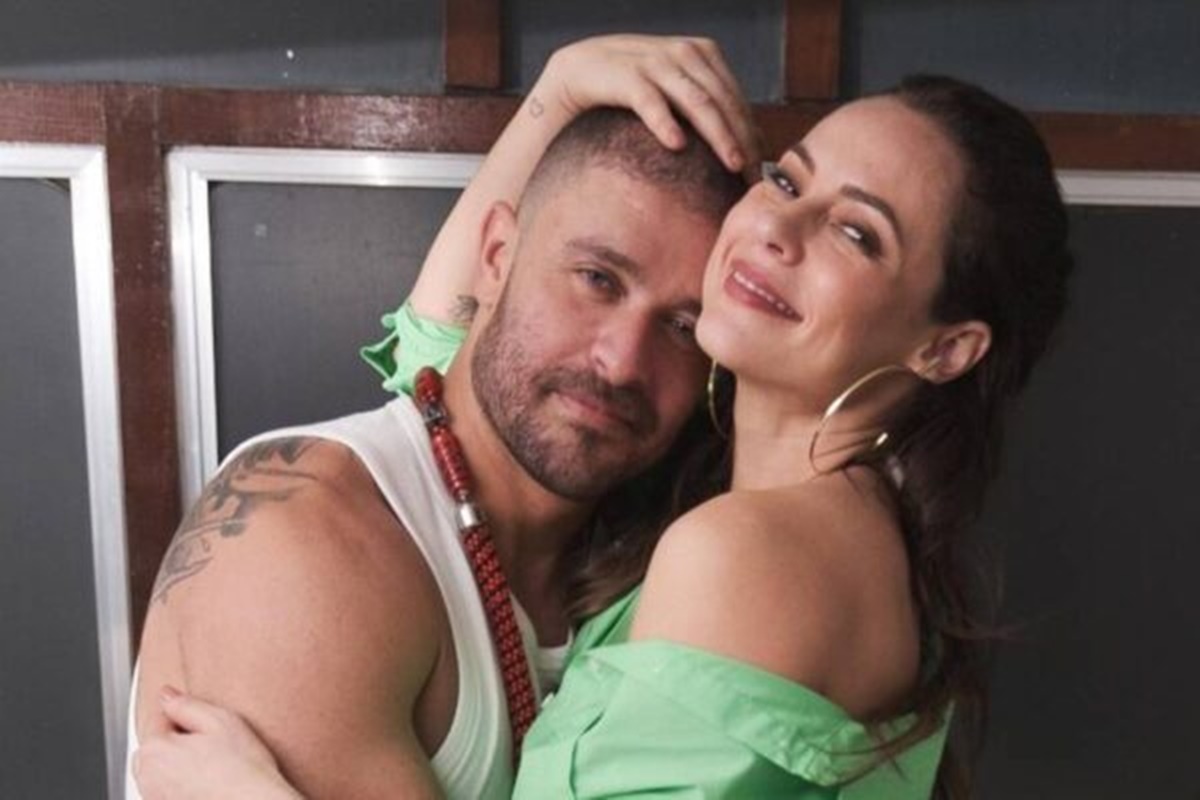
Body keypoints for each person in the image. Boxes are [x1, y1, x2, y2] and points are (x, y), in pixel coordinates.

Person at [134, 35, 1073, 800]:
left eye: (858, 233)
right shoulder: (767, 500)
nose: (779, 231)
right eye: (789, 183)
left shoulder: (748, 550)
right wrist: (555, 95)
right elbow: (454, 352)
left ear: (946, 349)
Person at [126, 38, 750, 800]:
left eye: (683, 326)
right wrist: (556, 93)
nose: (621, 360)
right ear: (497, 257)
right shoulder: (304, 547)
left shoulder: (663, 553)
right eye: (596, 278)